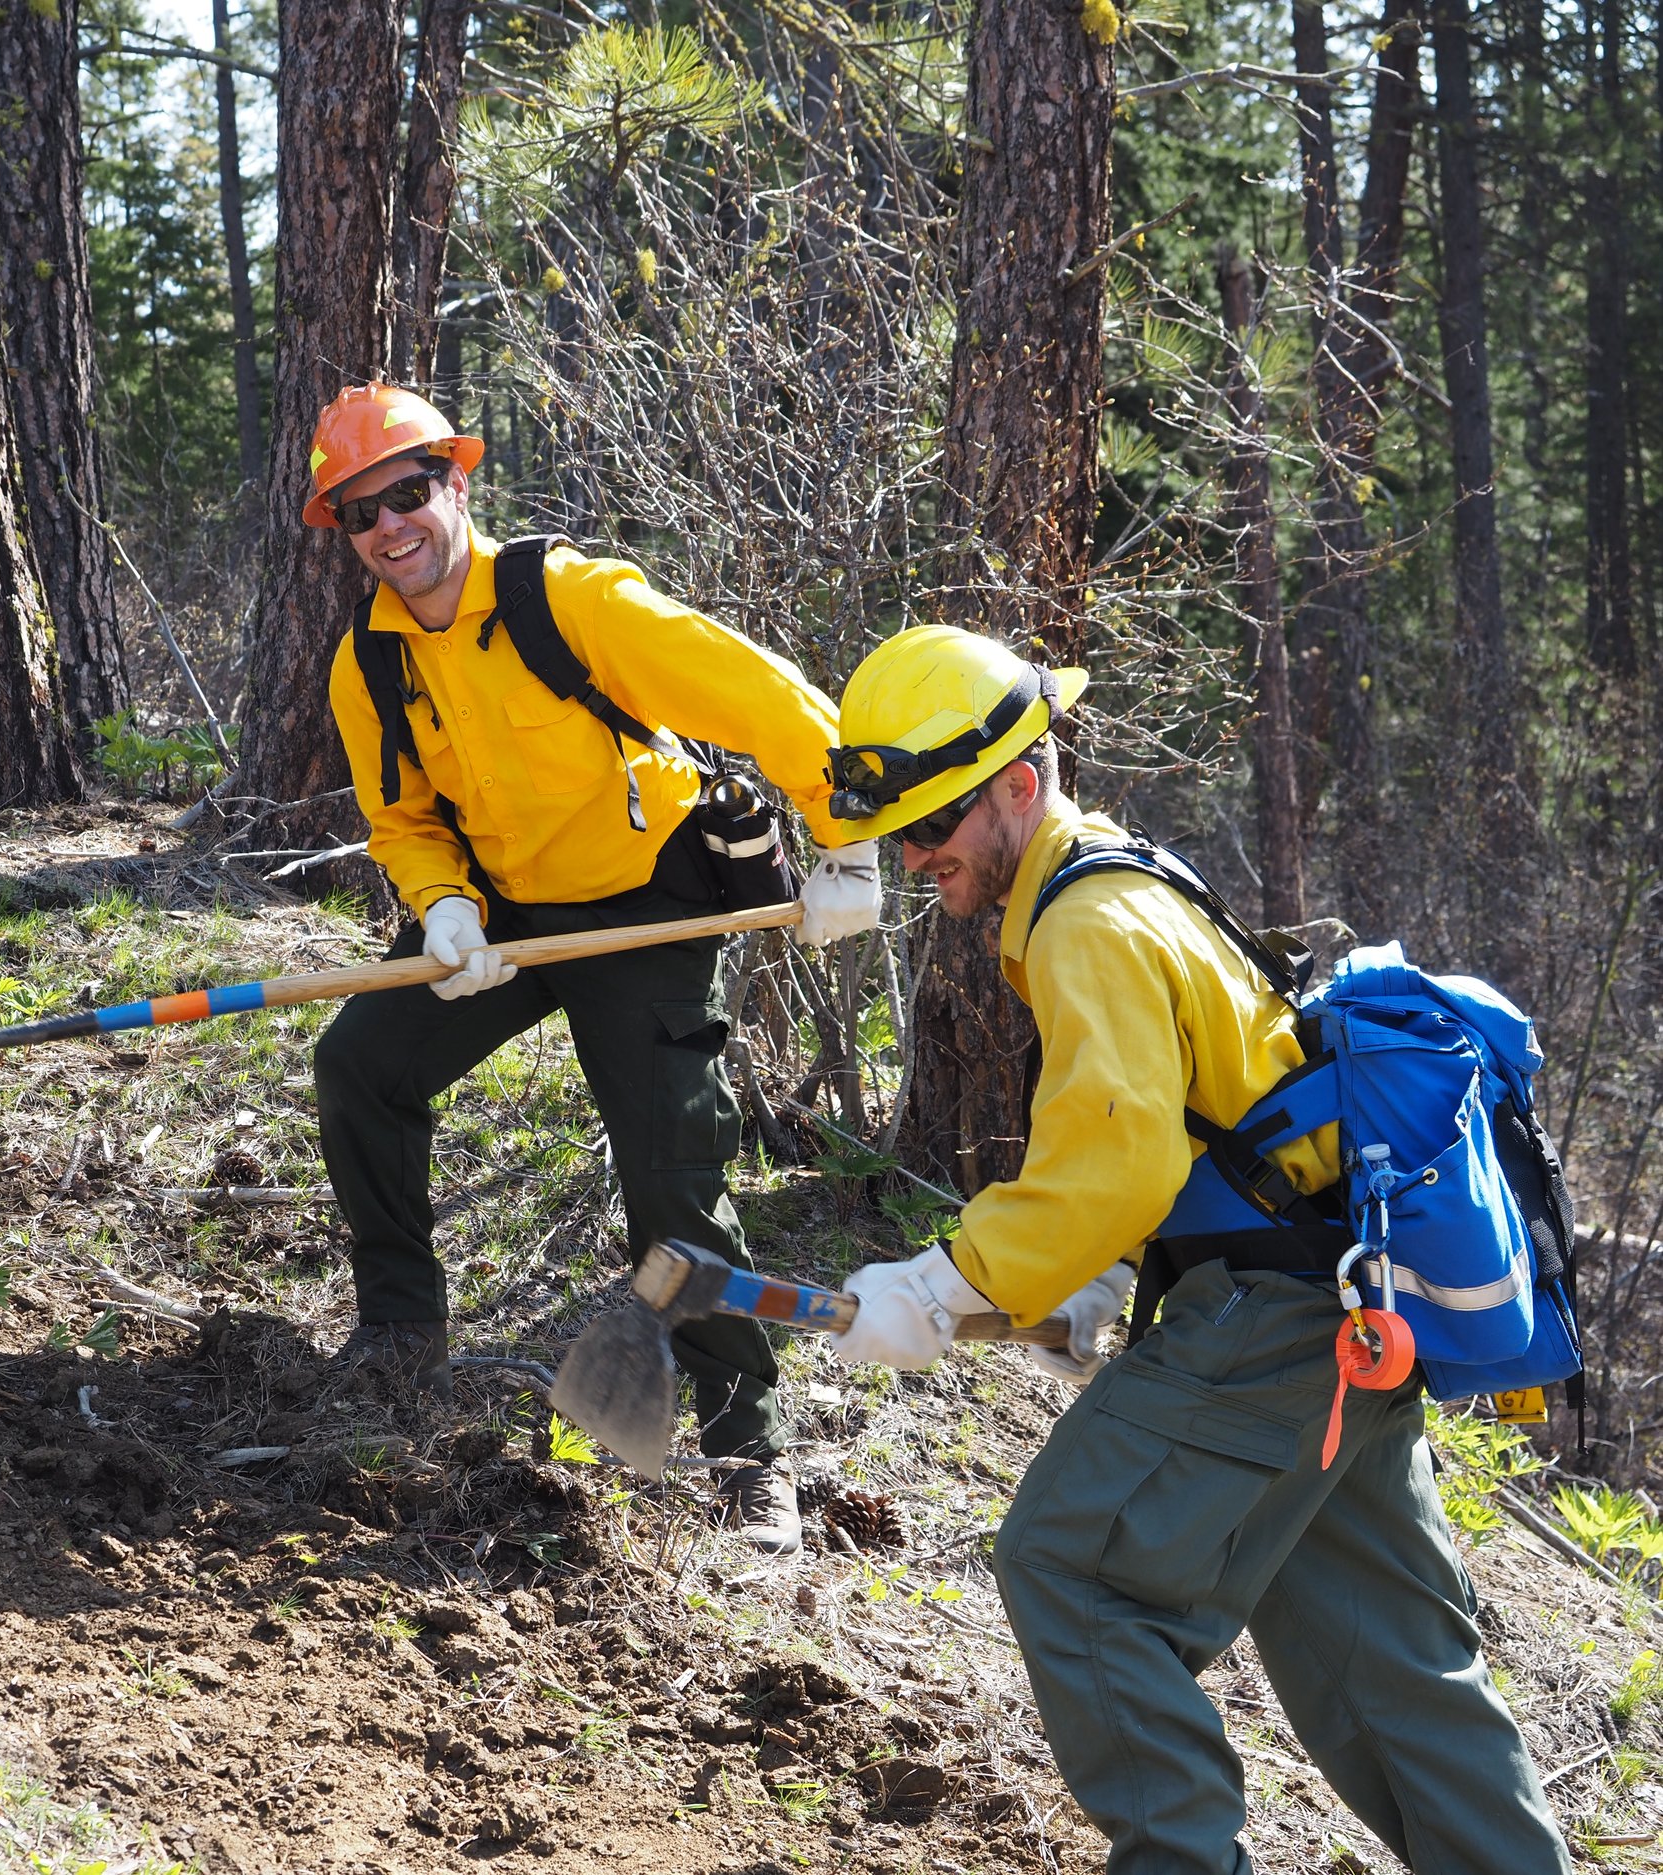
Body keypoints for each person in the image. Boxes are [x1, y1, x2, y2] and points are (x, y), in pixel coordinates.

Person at [815, 625, 1569, 1872]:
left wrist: (949, 1286)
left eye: (934, 818)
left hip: (1272, 1320)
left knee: (1068, 1567)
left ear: (1019, 784)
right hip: (1342, 1308)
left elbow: (1108, 1159)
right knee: (1390, 1668)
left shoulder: (1086, 925)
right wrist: (1103, 1280)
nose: (915, 855)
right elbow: (1201, 1118)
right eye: (896, 828)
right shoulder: (1121, 878)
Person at [302, 383, 882, 1554]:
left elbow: (759, 692)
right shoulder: (366, 664)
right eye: (362, 512)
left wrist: (849, 845)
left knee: (672, 1179)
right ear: (345, 532)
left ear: (455, 484)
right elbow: (404, 820)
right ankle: (401, 1337)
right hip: (505, 914)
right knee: (361, 1064)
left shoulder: (566, 598)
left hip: (648, 906)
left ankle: (743, 1452)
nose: (391, 527)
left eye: (409, 494)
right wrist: (445, 910)